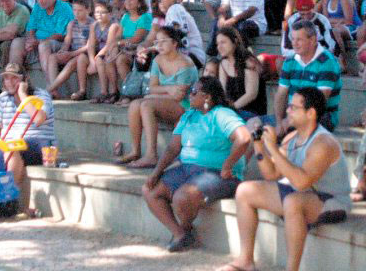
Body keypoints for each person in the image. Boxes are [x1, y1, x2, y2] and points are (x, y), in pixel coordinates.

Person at [221, 87, 351, 271]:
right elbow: (272, 174)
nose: (287, 111)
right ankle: (245, 261)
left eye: (293, 107)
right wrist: (259, 144)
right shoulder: (291, 137)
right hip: (302, 195)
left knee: (292, 201)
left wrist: (272, 147)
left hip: (334, 202)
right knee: (245, 191)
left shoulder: (323, 143)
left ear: (311, 113)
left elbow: (301, 182)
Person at [143, 76, 250, 253]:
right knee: (149, 190)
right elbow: (172, 148)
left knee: (181, 198)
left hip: (217, 173)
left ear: (207, 97)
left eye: (193, 92)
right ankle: (180, 235)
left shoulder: (222, 114)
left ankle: (185, 229)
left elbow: (244, 137)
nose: (189, 95)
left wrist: (228, 165)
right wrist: (156, 171)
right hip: (187, 169)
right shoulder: (189, 115)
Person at [120, 26, 198, 168]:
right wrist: (167, 88)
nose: (159, 45)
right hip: (166, 101)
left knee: (146, 104)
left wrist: (154, 95)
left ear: (174, 43)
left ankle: (151, 155)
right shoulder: (158, 60)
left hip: (185, 106)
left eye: (164, 41)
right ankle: (135, 150)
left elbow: (179, 96)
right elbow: (152, 87)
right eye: (157, 41)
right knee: (134, 105)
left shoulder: (184, 63)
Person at [0, 63, 55, 211]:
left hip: (38, 144)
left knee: (12, 150)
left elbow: (38, 119)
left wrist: (23, 96)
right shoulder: (3, 98)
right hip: (9, 143)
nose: (10, 82)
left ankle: (8, 200)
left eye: (15, 78)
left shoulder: (41, 95)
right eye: (7, 78)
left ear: (24, 80)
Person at [274, 21, 342, 135]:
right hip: (293, 114)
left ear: (313, 40)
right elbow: (281, 94)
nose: (294, 44)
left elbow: (319, 102)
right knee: (254, 124)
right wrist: (279, 122)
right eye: (293, 39)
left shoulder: (327, 62)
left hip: (320, 116)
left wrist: (289, 121)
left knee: (286, 133)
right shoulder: (290, 61)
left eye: (299, 39)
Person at [8, 0, 74, 77]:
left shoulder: (64, 8)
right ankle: (15, 80)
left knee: (43, 45)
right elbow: (31, 28)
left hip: (57, 44)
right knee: (17, 42)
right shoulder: (37, 7)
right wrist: (30, 40)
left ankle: (52, 88)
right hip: (38, 42)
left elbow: (60, 35)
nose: (40, 1)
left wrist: (38, 42)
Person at [47, 0, 94, 99]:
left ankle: (50, 89)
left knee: (75, 61)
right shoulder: (72, 24)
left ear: (88, 10)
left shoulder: (92, 24)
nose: (76, 13)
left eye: (80, 10)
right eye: (74, 10)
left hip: (86, 55)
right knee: (52, 57)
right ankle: (53, 90)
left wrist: (70, 54)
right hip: (73, 53)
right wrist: (63, 50)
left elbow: (89, 46)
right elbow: (67, 41)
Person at [216, 27, 267, 121]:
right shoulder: (223, 63)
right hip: (232, 110)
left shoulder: (248, 62)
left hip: (251, 112)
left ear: (234, 41)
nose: (219, 47)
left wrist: (231, 109)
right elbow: (222, 91)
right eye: (217, 44)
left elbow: (251, 94)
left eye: (223, 42)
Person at [113, 0, 153, 105]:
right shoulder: (125, 17)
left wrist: (119, 43)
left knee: (120, 59)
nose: (128, 2)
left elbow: (136, 39)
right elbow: (117, 37)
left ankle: (130, 93)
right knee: (109, 60)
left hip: (140, 52)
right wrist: (118, 44)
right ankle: (114, 93)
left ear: (139, 3)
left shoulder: (145, 17)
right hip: (125, 50)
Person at [318, 0, 362, 72]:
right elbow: (325, 21)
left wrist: (334, 22)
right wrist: (338, 21)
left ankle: (343, 59)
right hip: (336, 28)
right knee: (326, 31)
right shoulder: (326, 1)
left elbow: (348, 21)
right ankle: (328, 60)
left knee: (335, 30)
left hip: (354, 28)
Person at [157, 0, 205, 68]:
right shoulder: (177, 9)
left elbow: (174, 32)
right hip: (195, 55)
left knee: (158, 60)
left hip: (191, 55)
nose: (160, 1)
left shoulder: (174, 8)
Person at [83, 0, 121, 104]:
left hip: (111, 51)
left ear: (109, 13)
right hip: (101, 52)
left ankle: (114, 91)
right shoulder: (94, 25)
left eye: (102, 12)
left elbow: (109, 44)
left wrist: (97, 57)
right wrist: (92, 61)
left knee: (101, 59)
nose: (99, 15)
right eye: (96, 12)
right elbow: (91, 44)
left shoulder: (114, 25)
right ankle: (103, 92)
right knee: (98, 60)